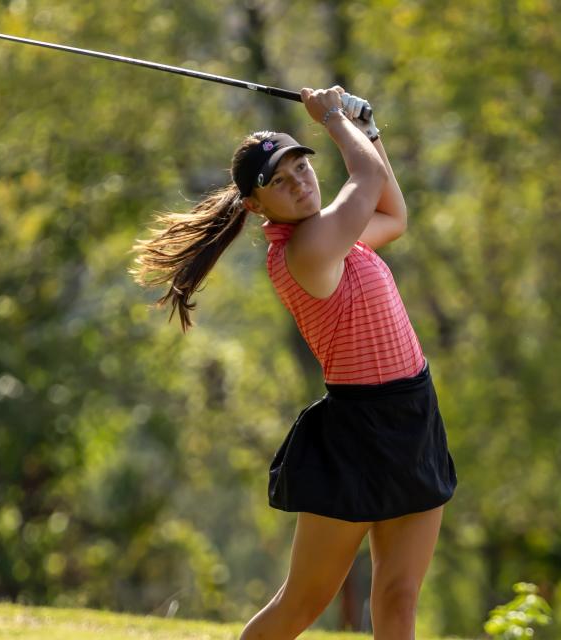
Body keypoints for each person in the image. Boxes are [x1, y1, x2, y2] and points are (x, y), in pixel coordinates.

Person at [132, 86, 457, 639]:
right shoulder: (303, 253)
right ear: (256, 206)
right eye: (278, 182)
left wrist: (370, 129)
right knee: (302, 604)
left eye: (300, 167)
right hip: (357, 433)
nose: (299, 182)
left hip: (413, 415)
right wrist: (334, 118)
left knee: (400, 599)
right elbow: (368, 183)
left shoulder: (339, 238)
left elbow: (393, 215)